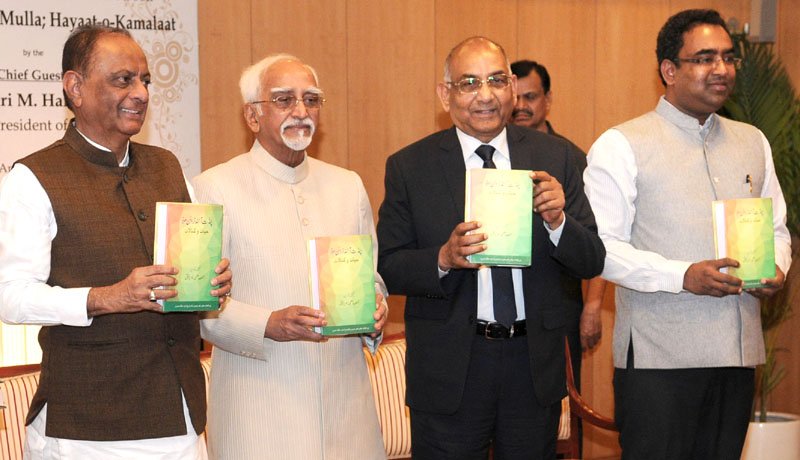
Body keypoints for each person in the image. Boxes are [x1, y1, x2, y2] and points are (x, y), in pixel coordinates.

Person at [0, 25, 231, 459]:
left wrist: (213, 282)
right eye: (123, 79)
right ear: (75, 87)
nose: (140, 92)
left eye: (145, 79)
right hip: (84, 431)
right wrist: (106, 298)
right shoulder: (32, 178)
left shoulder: (168, 166)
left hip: (180, 421)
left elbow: (192, 282)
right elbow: (10, 298)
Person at [376, 36, 605, 459]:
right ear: (445, 94)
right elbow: (388, 266)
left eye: (496, 80)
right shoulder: (410, 167)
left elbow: (593, 257)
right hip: (450, 370)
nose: (485, 95)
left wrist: (559, 222)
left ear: (513, 89)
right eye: (469, 83)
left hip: (531, 365)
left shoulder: (557, 157)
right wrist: (442, 259)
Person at [583, 9, 792, 459]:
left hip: (736, 358)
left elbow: (777, 226)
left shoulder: (752, 140)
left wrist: (777, 264)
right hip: (661, 362)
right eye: (704, 58)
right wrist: (684, 276)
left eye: (727, 57)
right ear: (669, 70)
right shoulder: (622, 144)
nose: (721, 69)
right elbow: (601, 250)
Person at [191, 54, 388, 460]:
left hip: (347, 417)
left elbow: (371, 278)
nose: (301, 111)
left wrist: (377, 306)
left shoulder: (347, 186)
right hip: (259, 415)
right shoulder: (213, 188)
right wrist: (269, 323)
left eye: (311, 100)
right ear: (252, 116)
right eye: (284, 100)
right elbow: (196, 306)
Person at [510, 58, 606, 372]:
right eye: (516, 96)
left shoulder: (570, 158)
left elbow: (598, 236)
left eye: (531, 97)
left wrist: (593, 304)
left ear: (548, 100)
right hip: (508, 309)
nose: (521, 105)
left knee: (564, 392)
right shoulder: (492, 156)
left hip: (561, 303)